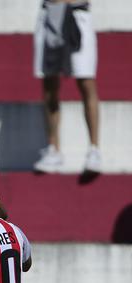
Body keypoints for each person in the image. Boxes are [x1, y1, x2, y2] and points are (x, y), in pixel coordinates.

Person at [32, 0, 101, 173]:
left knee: (86, 81)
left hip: (78, 12)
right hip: (50, 12)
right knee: (49, 84)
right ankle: (53, 148)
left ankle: (94, 149)